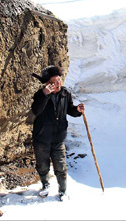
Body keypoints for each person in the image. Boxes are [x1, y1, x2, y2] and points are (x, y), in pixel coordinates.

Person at [31, 65, 85, 201]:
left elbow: (69, 109)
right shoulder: (40, 95)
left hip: (58, 138)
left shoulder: (65, 94)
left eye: (59, 80)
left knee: (61, 167)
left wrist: (77, 110)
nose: (58, 84)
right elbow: (36, 110)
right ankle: (45, 185)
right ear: (47, 84)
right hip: (42, 138)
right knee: (42, 166)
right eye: (54, 82)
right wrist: (45, 95)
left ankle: (62, 191)